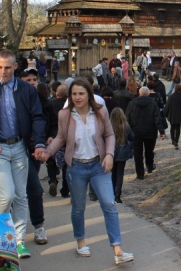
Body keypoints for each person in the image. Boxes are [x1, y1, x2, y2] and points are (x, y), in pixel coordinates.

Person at [38, 79, 134, 265]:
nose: (77, 97)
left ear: (88, 94)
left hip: (99, 166)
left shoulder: (100, 111)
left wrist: (109, 154)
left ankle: (117, 249)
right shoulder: (65, 115)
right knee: (78, 207)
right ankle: (80, 241)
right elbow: (60, 138)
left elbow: (109, 134)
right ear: (70, 96)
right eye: (74, 94)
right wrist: (47, 152)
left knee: (109, 204)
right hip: (76, 167)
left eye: (81, 93)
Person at [0, 49, 46, 259]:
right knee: (7, 194)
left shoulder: (26, 90)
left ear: (15, 67)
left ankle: (18, 240)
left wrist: (38, 143)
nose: (3, 72)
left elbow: (37, 117)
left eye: (7, 68)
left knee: (21, 195)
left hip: (20, 146)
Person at [19, 68, 50, 245]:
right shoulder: (15, 100)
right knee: (32, 188)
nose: (31, 83)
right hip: (18, 150)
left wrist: (49, 136)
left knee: (28, 188)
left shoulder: (42, 100)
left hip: (36, 150)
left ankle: (30, 227)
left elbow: (50, 122)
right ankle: (36, 226)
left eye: (34, 80)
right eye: (27, 80)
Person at [125, 87, 166, 180]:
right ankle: (149, 166)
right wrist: (161, 131)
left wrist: (128, 130)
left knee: (137, 153)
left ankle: (140, 173)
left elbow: (127, 118)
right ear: (148, 94)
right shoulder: (153, 104)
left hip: (136, 132)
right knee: (149, 151)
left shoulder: (132, 104)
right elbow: (157, 118)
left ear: (139, 94)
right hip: (150, 131)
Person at [48, 84, 68, 197]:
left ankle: (52, 180)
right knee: (67, 162)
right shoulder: (70, 105)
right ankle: (65, 189)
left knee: (51, 161)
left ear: (56, 93)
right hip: (66, 136)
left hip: (53, 135)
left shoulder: (51, 104)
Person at [110, 108, 134, 203]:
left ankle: (112, 192)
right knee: (120, 173)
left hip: (112, 152)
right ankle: (118, 194)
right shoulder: (125, 126)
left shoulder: (109, 126)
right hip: (122, 152)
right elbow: (132, 138)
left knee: (113, 173)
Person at [164, 84, 181, 150]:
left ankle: (173, 139)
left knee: (172, 127)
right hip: (179, 114)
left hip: (172, 114)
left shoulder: (171, 97)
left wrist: (165, 113)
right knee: (178, 128)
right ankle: (176, 140)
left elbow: (167, 105)